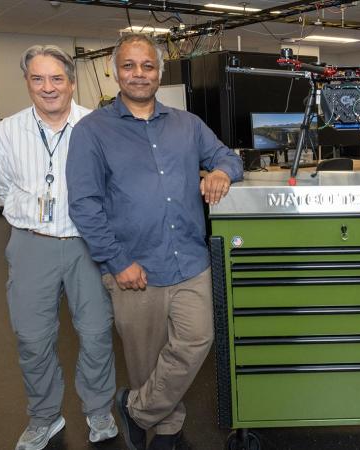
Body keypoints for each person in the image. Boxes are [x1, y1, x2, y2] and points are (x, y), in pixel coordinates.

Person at [66, 33, 243, 450]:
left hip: (191, 262)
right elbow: (84, 205)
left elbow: (228, 157)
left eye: (148, 66)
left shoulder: (187, 124)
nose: (139, 74)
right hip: (134, 267)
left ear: (159, 73)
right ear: (115, 72)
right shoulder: (93, 131)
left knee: (196, 340)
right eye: (129, 66)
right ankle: (167, 430)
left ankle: (136, 410)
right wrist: (116, 261)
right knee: (147, 361)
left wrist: (221, 172)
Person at [0, 45, 117, 450]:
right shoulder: (7, 131)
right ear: (27, 82)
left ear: (71, 82)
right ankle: (44, 416)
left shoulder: (96, 126)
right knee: (32, 338)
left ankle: (99, 409)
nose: (48, 87)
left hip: (87, 244)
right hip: (31, 244)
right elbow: (3, 187)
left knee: (96, 333)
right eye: (38, 78)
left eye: (56, 78)